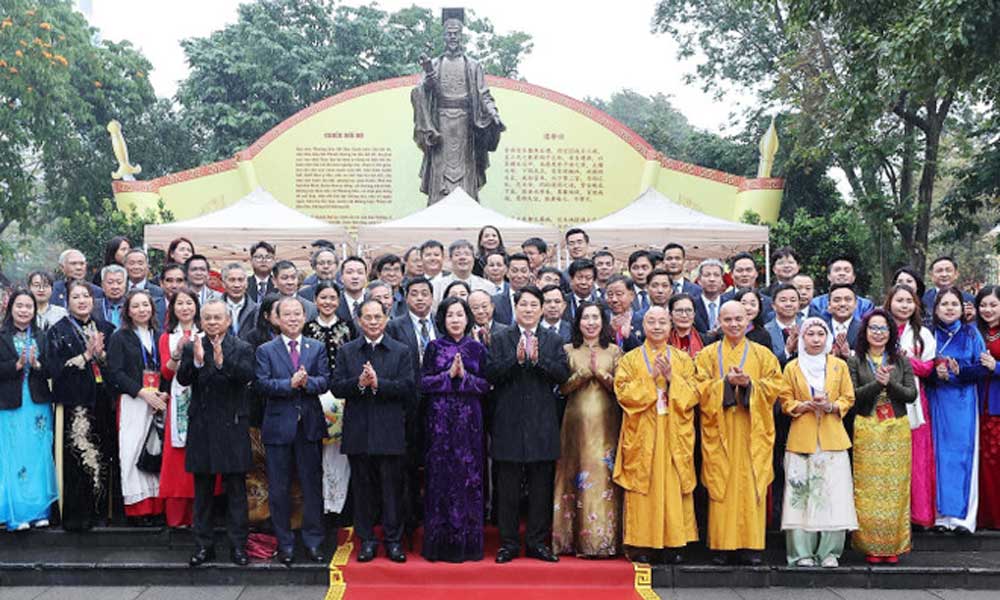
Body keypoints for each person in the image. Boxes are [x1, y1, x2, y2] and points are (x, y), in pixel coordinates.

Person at [694, 301, 785, 565]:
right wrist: (725, 384)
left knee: (751, 484)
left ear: (748, 321)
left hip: (751, 431)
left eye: (738, 319)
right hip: (720, 430)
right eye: (728, 320)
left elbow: (775, 386)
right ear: (719, 323)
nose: (734, 324)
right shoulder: (707, 355)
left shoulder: (763, 355)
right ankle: (721, 546)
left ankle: (751, 546)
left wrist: (750, 385)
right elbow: (698, 388)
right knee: (721, 484)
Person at [486, 285, 570, 563]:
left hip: (542, 424)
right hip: (508, 422)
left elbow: (561, 374)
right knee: (507, 488)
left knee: (540, 488)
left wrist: (537, 361)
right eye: (524, 305)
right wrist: (516, 360)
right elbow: (491, 374)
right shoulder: (500, 338)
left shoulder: (553, 340)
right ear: (515, 307)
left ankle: (536, 542)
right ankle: (508, 543)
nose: (529, 310)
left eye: (535, 305)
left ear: (542, 309)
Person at [331, 299, 415, 563]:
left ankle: (393, 541)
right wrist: (359, 383)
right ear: (359, 320)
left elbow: (408, 387)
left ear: (386, 318)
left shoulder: (400, 351)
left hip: (389, 431)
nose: (373, 322)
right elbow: (336, 387)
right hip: (359, 431)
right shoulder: (347, 351)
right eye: (367, 317)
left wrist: (379, 384)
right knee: (363, 490)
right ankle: (367, 541)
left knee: (392, 490)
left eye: (378, 316)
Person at [613, 306, 697, 563]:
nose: (658, 327)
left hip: (672, 430)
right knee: (643, 485)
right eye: (652, 321)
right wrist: (651, 378)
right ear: (643, 326)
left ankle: (674, 543)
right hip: (643, 431)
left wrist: (672, 378)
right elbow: (623, 393)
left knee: (672, 484)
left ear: (671, 326)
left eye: (663, 322)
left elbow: (694, 394)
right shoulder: (630, 359)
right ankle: (641, 544)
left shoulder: (682, 359)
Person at [177, 299, 256, 567]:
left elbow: (247, 376)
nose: (212, 322)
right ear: (201, 321)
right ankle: (203, 547)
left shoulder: (242, 347)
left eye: (217, 318)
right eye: (207, 318)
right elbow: (183, 379)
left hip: (232, 426)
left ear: (228, 320)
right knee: (203, 492)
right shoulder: (192, 347)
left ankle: (238, 547)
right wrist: (198, 362)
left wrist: (223, 363)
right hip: (203, 427)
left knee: (236, 490)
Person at [255, 297, 330, 564]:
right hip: (278, 427)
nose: (293, 318)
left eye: (297, 314)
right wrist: (289, 384)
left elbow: (324, 381)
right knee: (279, 489)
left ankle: (313, 542)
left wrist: (306, 383)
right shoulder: (266, 350)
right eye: (287, 314)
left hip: (308, 426)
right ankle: (284, 544)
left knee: (311, 487)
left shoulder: (316, 347)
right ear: (276, 318)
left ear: (305, 317)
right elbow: (262, 384)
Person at [780, 318, 858, 568]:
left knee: (833, 495)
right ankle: (801, 552)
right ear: (801, 338)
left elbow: (848, 396)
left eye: (820, 334)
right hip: (801, 437)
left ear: (827, 338)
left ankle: (829, 552)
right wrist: (801, 406)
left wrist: (832, 406)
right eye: (810, 334)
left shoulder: (838, 366)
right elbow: (784, 400)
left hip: (832, 436)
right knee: (800, 496)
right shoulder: (792, 367)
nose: (815, 339)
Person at [419, 297, 490, 562]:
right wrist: (447, 376)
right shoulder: (434, 347)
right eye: (450, 315)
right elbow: (424, 382)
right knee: (440, 478)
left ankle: (468, 545)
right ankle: (440, 545)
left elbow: (485, 385)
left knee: (468, 478)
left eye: (460, 315)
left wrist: (465, 378)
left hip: (470, 421)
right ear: (443, 319)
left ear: (467, 318)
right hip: (440, 421)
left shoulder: (477, 348)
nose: (456, 320)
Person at [553, 302, 623, 557]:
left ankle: (603, 542)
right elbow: (561, 389)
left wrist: (603, 375)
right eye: (586, 318)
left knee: (603, 474)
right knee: (574, 474)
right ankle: (568, 540)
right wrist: (583, 374)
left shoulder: (615, 351)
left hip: (606, 424)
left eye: (595, 318)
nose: (591, 323)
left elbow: (621, 389)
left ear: (603, 322)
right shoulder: (567, 350)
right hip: (574, 423)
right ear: (578, 322)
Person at [45, 280, 118, 530]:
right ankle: (77, 516)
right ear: (67, 301)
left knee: (103, 456)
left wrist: (102, 356)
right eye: (76, 297)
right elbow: (54, 369)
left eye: (85, 296)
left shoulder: (107, 327)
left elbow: (116, 369)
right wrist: (86, 355)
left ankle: (101, 512)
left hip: (101, 402)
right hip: (74, 403)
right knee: (78, 458)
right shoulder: (58, 330)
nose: (82, 301)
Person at [411, 9, 503, 205]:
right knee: (441, 170)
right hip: (440, 126)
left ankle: (467, 205)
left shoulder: (473, 65)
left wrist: (493, 113)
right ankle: (437, 206)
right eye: (449, 33)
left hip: (465, 125)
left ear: (462, 36)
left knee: (465, 171)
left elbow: (483, 94)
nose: (453, 37)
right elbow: (420, 92)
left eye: (456, 33)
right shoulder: (435, 64)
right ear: (444, 36)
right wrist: (427, 83)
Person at [848, 308, 917, 563]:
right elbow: (853, 397)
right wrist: (878, 384)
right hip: (867, 428)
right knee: (868, 489)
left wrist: (890, 383)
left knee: (895, 488)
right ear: (864, 332)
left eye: (883, 328)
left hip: (896, 429)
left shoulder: (901, 361)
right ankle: (869, 546)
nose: (878, 333)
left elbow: (911, 395)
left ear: (891, 333)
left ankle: (894, 546)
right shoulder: (855, 361)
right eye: (873, 328)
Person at [927, 287, 987, 534]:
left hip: (962, 403)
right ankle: (940, 516)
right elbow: (916, 368)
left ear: (963, 308)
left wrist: (959, 370)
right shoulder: (927, 334)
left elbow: (984, 368)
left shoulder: (972, 334)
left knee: (962, 455)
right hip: (935, 400)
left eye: (955, 304)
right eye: (944, 304)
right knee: (937, 456)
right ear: (936, 308)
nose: (950, 308)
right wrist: (934, 372)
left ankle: (964, 519)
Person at [106, 289, 169, 523]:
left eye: (145, 305)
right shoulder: (119, 337)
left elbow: (165, 369)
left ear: (152, 308)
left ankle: (157, 505)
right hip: (133, 401)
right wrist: (141, 392)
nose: (142, 310)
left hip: (158, 402)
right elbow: (115, 373)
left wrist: (162, 394)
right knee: (132, 451)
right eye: (136, 306)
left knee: (156, 448)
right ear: (128, 311)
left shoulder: (160, 335)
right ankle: (138, 509)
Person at [0, 290, 57, 530]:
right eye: (19, 305)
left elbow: (53, 370)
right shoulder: (1, 336)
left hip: (38, 405)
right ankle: (16, 512)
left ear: (35, 310)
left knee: (39, 455)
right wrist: (17, 365)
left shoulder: (43, 336)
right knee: (12, 455)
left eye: (29, 306)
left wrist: (36, 365)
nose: (24, 310)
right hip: (9, 403)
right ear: (10, 308)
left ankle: (39, 510)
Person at [885, 284, 937, 528]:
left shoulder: (922, 334)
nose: (904, 305)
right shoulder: (880, 329)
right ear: (889, 302)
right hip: (883, 398)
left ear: (916, 305)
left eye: (909, 301)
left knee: (916, 458)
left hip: (914, 400)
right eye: (899, 300)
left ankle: (917, 514)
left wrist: (906, 361)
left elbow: (928, 368)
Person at [303, 281, 356, 517]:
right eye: (323, 298)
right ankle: (320, 506)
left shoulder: (348, 327)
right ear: (315, 300)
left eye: (333, 298)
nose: (328, 302)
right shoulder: (306, 328)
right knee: (316, 454)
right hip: (313, 396)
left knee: (340, 453)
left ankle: (339, 505)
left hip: (342, 398)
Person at [156, 289, 201, 528]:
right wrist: (176, 353)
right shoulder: (167, 337)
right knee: (177, 460)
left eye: (189, 303)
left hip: (203, 398)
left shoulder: (206, 332)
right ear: (172, 308)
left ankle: (199, 515)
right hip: (178, 399)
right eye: (179, 303)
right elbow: (165, 372)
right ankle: (177, 517)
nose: (185, 308)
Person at [975, 286, 1000, 529]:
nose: (988, 310)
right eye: (983, 305)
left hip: (997, 407)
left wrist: (997, 366)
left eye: (993, 305)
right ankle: (986, 517)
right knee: (984, 461)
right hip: (978, 406)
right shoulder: (975, 332)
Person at [808, 256, 874, 321]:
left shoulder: (866, 305)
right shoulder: (816, 303)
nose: (842, 273)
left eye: (847, 271)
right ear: (829, 276)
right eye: (837, 270)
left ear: (854, 277)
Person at [721, 253, 774, 322]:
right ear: (732, 275)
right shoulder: (722, 301)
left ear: (756, 274)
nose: (744, 274)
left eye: (748, 270)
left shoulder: (769, 303)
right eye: (739, 270)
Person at [124, 248, 167, 327]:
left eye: (140, 263)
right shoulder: (120, 291)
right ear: (125, 266)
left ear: (147, 266)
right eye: (132, 263)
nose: (136, 267)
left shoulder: (158, 292)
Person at [924, 257, 975, 321]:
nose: (944, 274)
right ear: (931, 275)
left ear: (956, 274)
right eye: (939, 271)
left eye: (948, 270)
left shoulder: (969, 299)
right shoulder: (923, 298)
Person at [765, 283, 804, 367]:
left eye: (793, 300)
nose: (788, 304)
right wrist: (787, 351)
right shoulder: (765, 332)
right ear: (773, 305)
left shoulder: (807, 328)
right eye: (783, 300)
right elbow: (766, 363)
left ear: (799, 304)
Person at [605, 275, 643, 352]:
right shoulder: (602, 319)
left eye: (619, 294)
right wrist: (611, 332)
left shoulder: (642, 321)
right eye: (610, 295)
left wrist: (628, 337)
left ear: (632, 296)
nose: (614, 299)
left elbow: (644, 352)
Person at [492, 253, 531, 326]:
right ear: (507, 273)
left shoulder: (539, 300)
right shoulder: (495, 301)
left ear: (529, 273)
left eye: (524, 271)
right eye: (514, 271)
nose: (519, 275)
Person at [824, 284, 861, 359]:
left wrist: (850, 354)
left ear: (856, 304)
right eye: (837, 300)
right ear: (829, 305)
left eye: (848, 300)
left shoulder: (864, 329)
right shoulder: (821, 328)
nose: (842, 304)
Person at [220, 263, 257, 338]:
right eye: (232, 280)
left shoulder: (257, 310)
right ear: (223, 284)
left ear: (246, 283)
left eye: (241, 280)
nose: (237, 285)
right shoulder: (214, 310)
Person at [693, 259, 726, 333]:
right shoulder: (692, 305)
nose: (712, 279)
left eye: (716, 275)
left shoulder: (729, 304)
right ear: (699, 280)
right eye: (707, 275)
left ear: (722, 280)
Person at [335, 256, 368, 322]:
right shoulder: (334, 303)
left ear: (366, 277)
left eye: (360, 272)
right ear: (341, 277)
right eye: (349, 272)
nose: (355, 277)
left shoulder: (373, 300)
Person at [628, 250, 655, 315]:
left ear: (653, 269)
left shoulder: (660, 292)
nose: (640, 272)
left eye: (645, 268)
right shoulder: (625, 293)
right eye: (635, 268)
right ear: (629, 270)